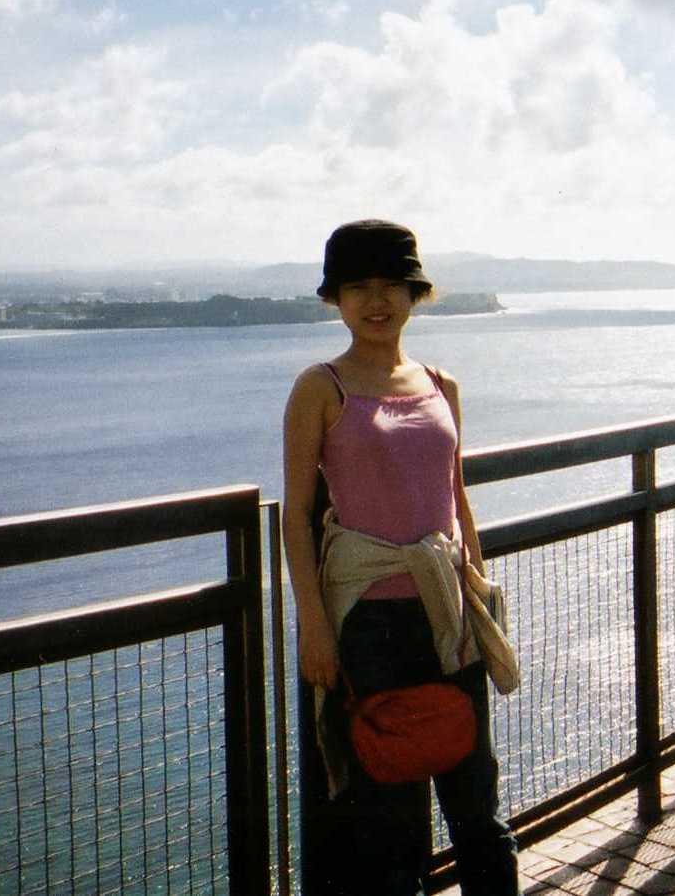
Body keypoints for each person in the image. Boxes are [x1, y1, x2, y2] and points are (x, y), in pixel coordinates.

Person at [281, 219, 519, 896]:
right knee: (388, 825)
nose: (376, 300)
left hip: (448, 611)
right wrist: (314, 625)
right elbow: (297, 517)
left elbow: (456, 496)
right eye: (358, 286)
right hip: (368, 627)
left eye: (392, 285)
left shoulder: (441, 383)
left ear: (416, 293)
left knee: (476, 804)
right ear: (335, 298)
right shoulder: (321, 387)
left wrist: (480, 594)